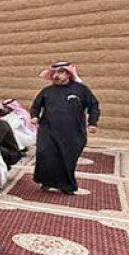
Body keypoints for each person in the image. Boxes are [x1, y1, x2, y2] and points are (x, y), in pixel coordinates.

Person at [30, 62, 101, 195]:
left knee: (67, 158)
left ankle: (67, 186)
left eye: (60, 72)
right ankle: (47, 182)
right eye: (55, 73)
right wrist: (34, 116)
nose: (56, 75)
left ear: (68, 74)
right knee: (45, 154)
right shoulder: (47, 91)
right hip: (48, 130)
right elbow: (36, 106)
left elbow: (93, 105)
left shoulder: (81, 90)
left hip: (73, 132)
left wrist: (92, 122)